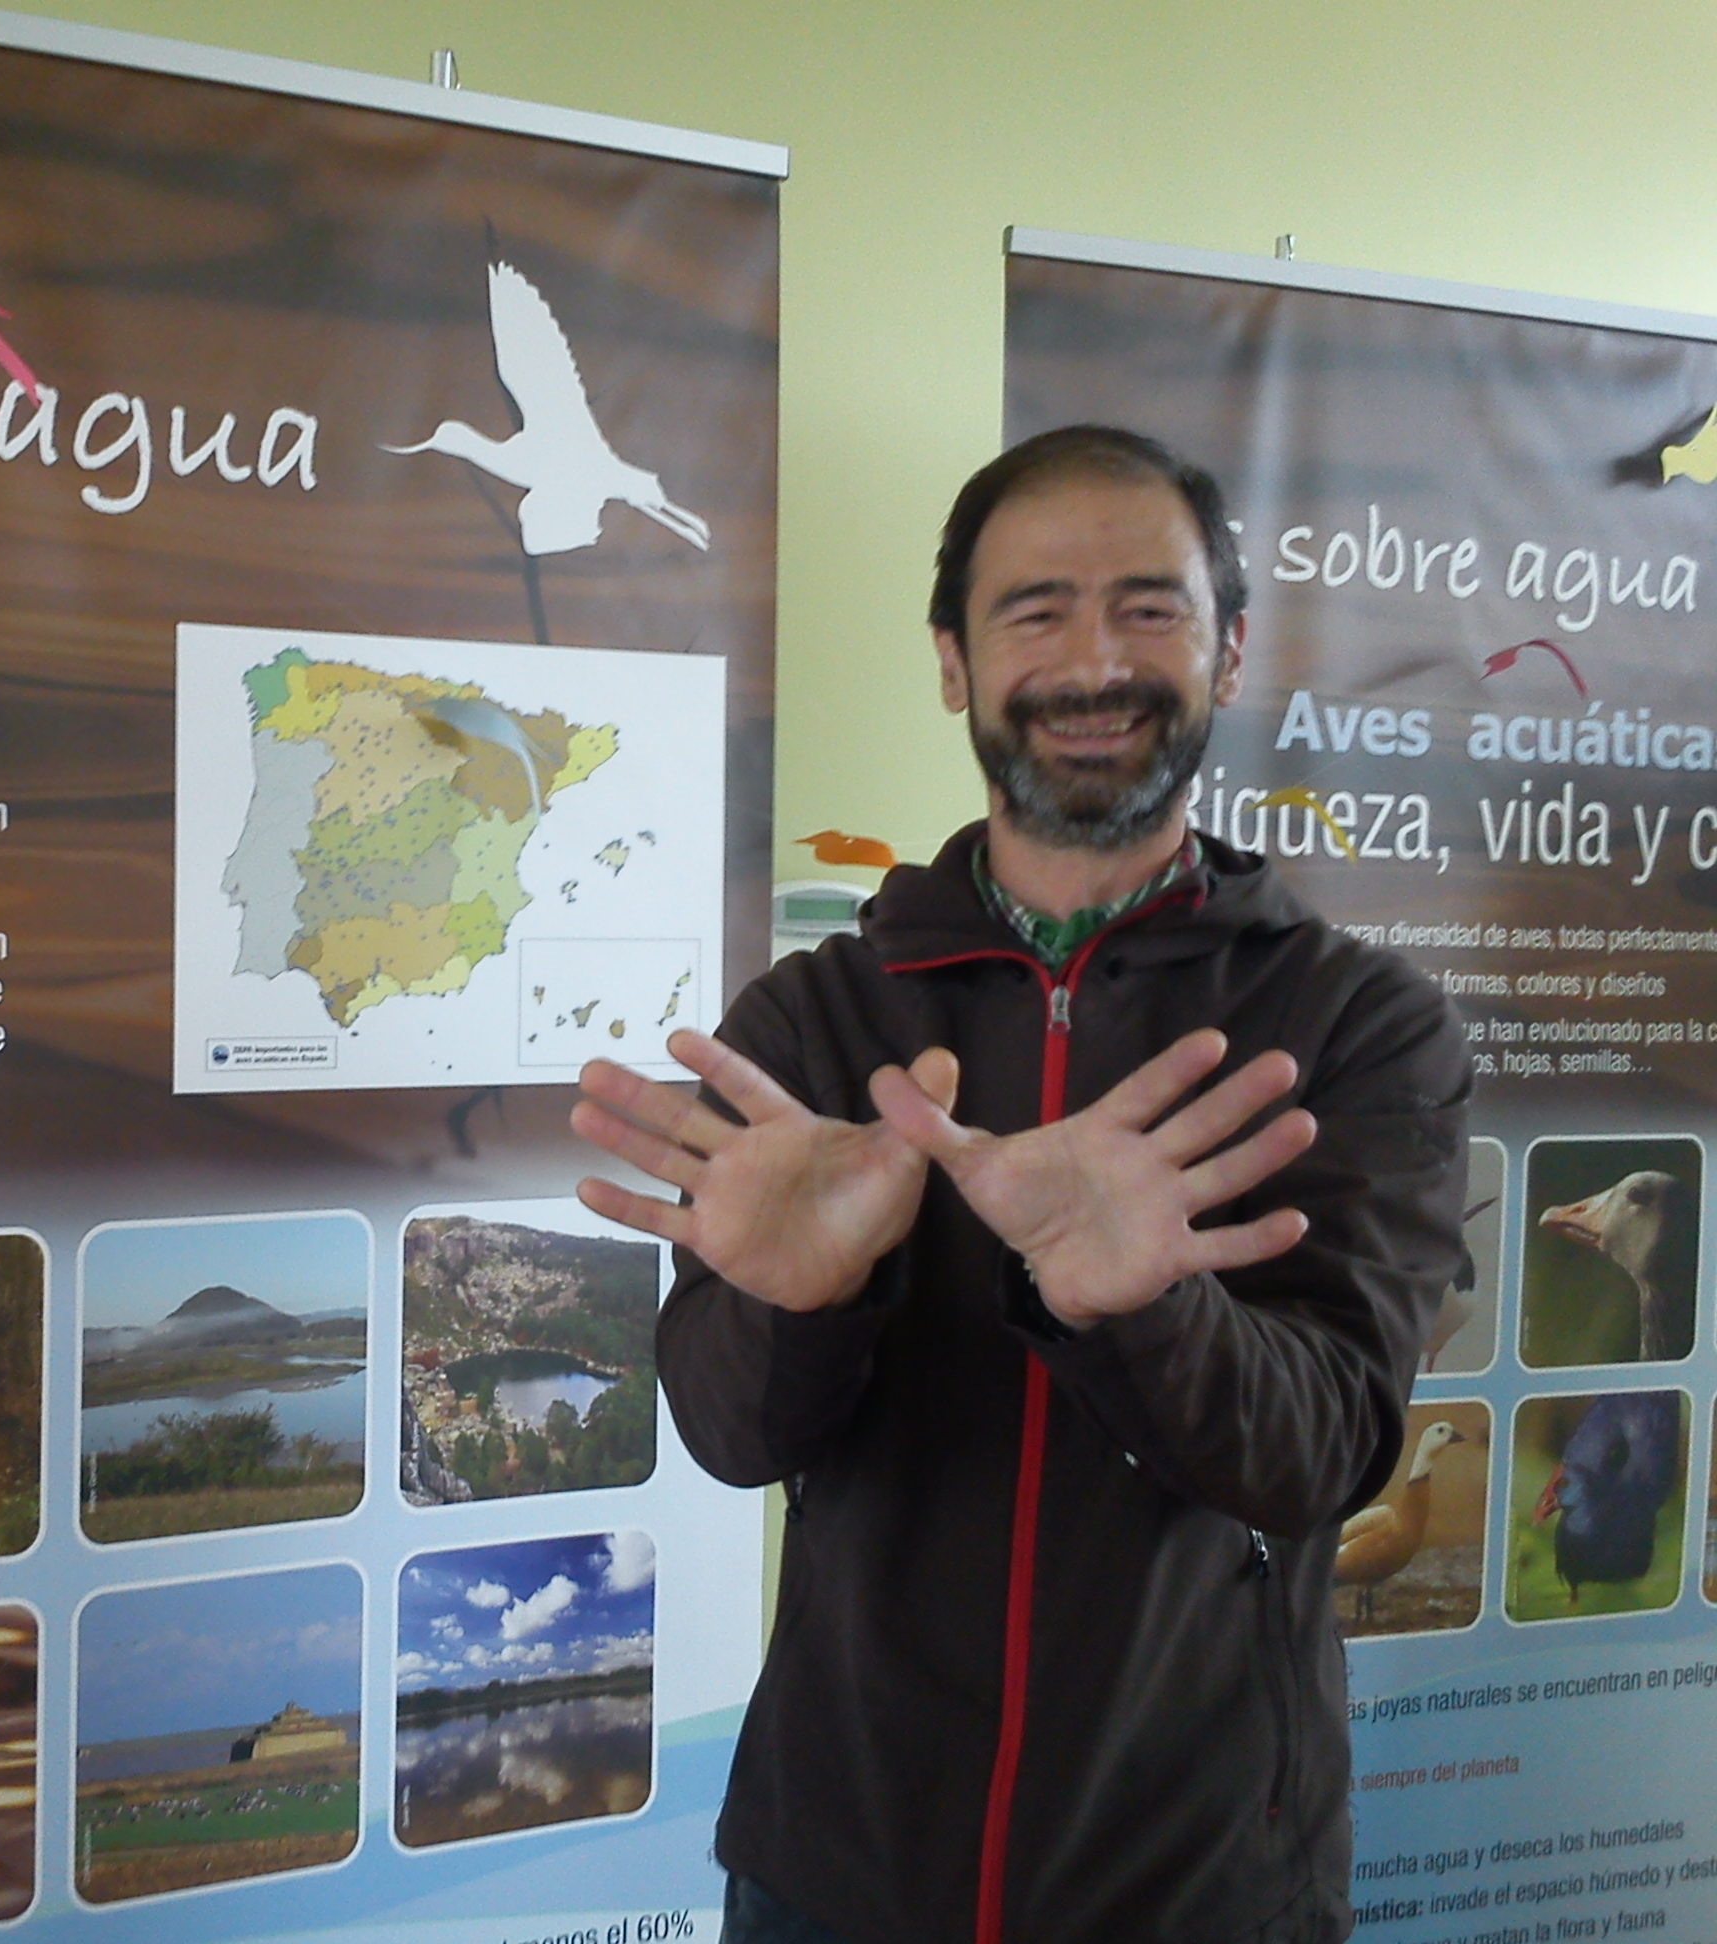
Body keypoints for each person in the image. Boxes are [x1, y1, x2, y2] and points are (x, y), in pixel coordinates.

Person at [572, 425, 1469, 1944]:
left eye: (1150, 608)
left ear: (1231, 649)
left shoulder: (1358, 1026)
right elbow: (735, 1438)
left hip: (1199, 1879)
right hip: (836, 1872)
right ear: (954, 661)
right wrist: (803, 1302)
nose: (1092, 661)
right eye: (1035, 611)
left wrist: (1145, 1310)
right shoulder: (813, 1023)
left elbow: (1331, 1452)